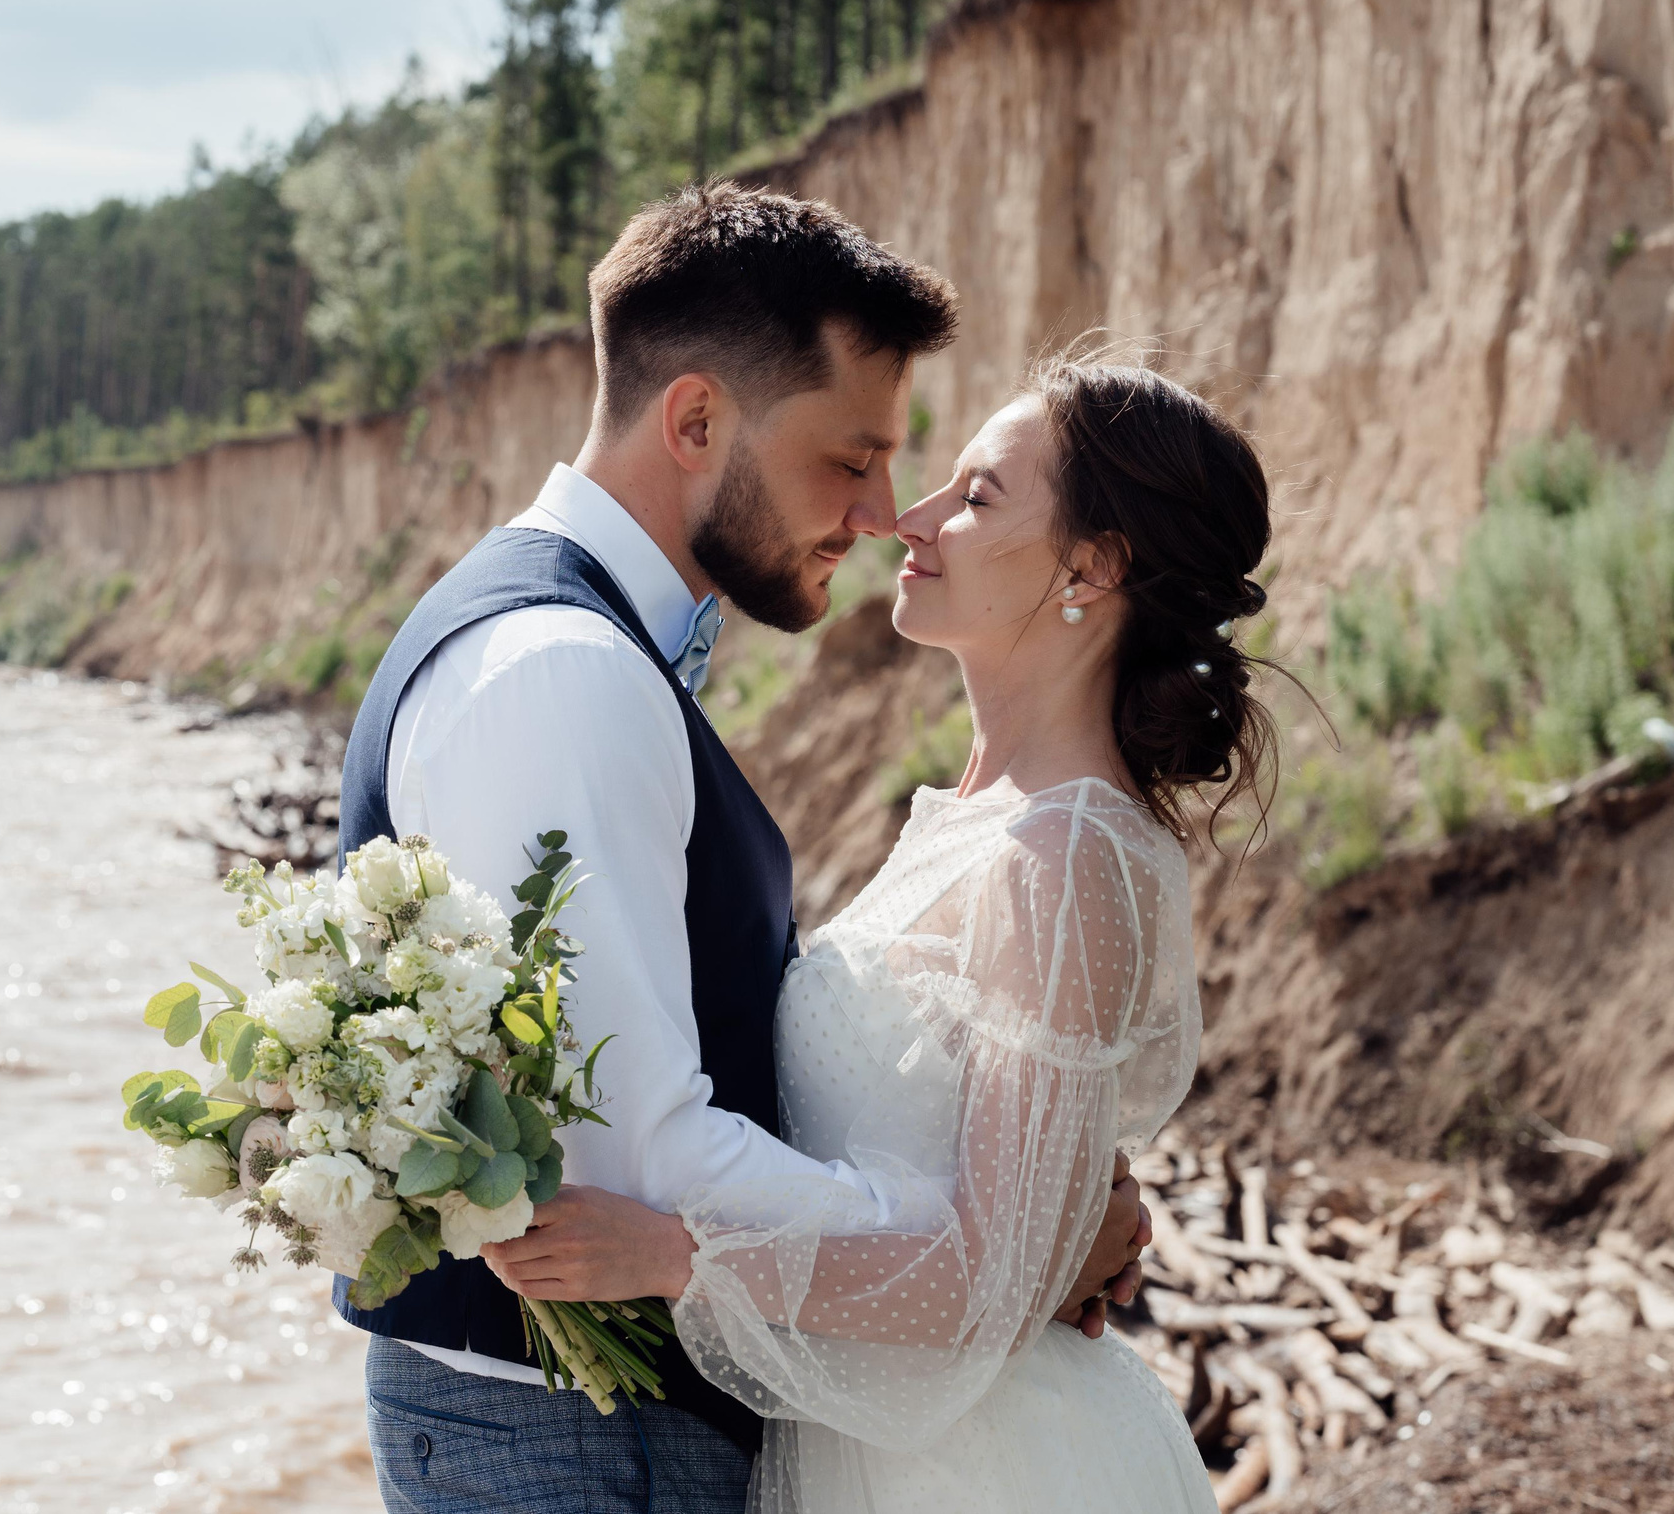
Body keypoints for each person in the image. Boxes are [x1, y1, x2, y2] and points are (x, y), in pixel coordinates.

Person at [332, 183, 1154, 1513]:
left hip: (602, 1424)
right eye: (850, 457)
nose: (884, 510)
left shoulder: (583, 647)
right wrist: (994, 1250)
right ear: (698, 419)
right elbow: (643, 1157)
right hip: (576, 1440)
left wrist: (1025, 1206)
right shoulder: (564, 669)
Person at [485, 352, 1281, 1512]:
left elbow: (978, 1285)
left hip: (990, 1468)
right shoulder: (979, 820)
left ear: (1092, 565)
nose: (909, 518)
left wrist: (670, 1254)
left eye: (975, 494)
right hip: (891, 1451)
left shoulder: (1065, 857)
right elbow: (993, 1217)